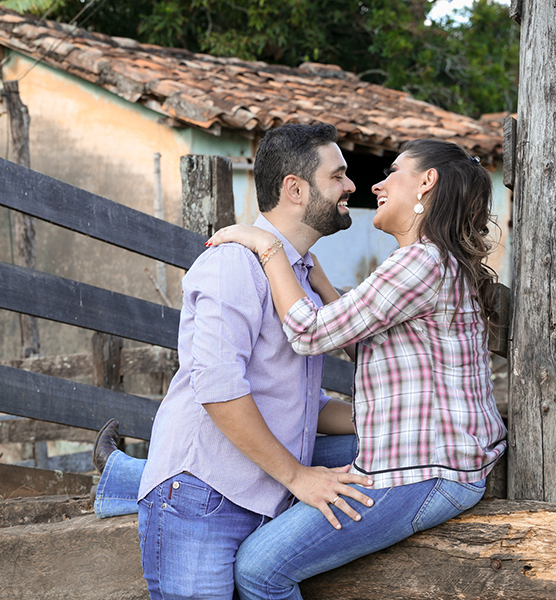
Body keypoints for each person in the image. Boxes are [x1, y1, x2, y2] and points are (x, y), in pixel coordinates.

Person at [204, 138, 508, 599]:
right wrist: (322, 284)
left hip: (420, 471)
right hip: (427, 456)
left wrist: (268, 248)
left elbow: (308, 335)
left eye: (393, 173)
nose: (376, 184)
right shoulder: (432, 261)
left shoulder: (419, 262)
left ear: (427, 183)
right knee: (288, 447)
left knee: (258, 569)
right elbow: (368, 340)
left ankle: (129, 482)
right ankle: (127, 480)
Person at [94, 122, 378, 600]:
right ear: (295, 189)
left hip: (257, 488)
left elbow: (299, 399)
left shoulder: (296, 276)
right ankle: (134, 482)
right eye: (339, 176)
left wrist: (375, 418)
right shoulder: (234, 264)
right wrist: (298, 476)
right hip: (202, 497)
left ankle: (121, 477)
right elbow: (219, 387)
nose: (351, 186)